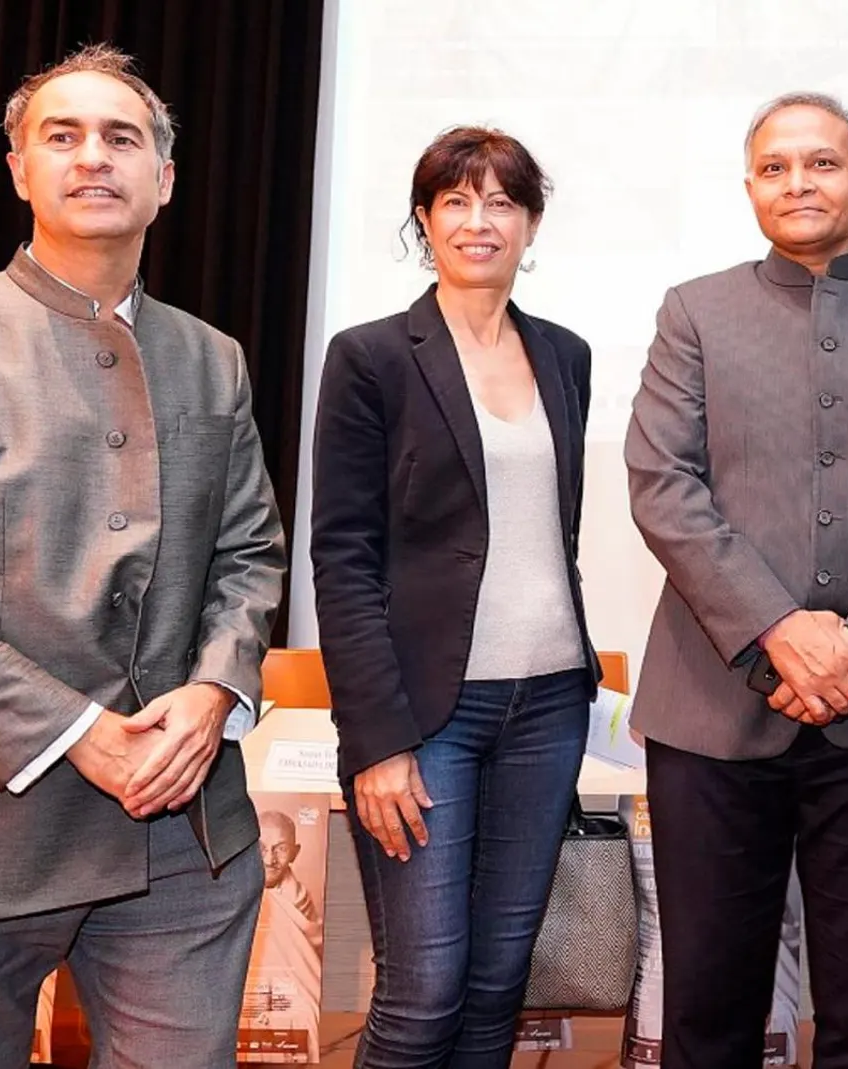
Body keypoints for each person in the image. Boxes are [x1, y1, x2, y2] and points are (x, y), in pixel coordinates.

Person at [0, 43, 286, 1068]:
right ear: (18, 169)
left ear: (164, 180)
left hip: (181, 837)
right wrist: (77, 729)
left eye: (121, 137)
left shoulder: (212, 356)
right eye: (63, 134)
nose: (94, 156)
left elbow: (249, 552)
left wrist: (218, 690)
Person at [624, 90, 848, 1068]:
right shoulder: (694, 311)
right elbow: (662, 486)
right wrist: (781, 628)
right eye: (776, 167)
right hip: (711, 709)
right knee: (707, 1009)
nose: (798, 182)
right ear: (750, 189)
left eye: (821, 163)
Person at [311, 125, 599, 1068]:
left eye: (503, 202)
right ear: (425, 221)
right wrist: (378, 737)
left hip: (549, 702)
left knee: (498, 986)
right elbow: (342, 557)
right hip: (428, 717)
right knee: (422, 993)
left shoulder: (566, 354)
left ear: (531, 223)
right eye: (457, 201)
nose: (481, 221)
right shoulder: (372, 357)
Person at [251, 809, 324, 1044]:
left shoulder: (300, 900)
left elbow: (308, 965)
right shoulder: (232, 895)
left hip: (292, 994)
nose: (269, 859)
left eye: (281, 848)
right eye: (261, 848)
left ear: (295, 852)